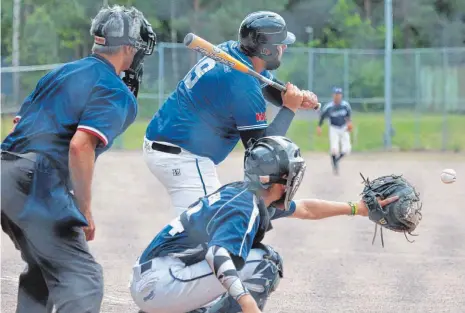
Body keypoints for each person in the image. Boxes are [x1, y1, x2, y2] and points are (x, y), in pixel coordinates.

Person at [0, 5, 155, 313]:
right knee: (84, 280)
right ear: (127, 48)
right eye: (136, 49)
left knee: (44, 272)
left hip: (6, 171)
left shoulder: (62, 72)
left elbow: (19, 124)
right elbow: (80, 146)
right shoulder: (114, 89)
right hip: (36, 180)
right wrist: (83, 208)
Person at [129, 136, 398, 313]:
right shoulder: (244, 207)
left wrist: (356, 209)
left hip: (158, 279)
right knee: (265, 262)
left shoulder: (248, 195)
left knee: (250, 259)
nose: (295, 180)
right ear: (277, 182)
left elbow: (306, 209)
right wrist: (248, 305)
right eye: (291, 175)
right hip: (161, 284)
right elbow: (218, 255)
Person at [143, 11, 320, 216]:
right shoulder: (243, 87)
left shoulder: (233, 52)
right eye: (280, 43)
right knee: (210, 225)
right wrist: (289, 108)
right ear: (266, 50)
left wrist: (292, 97)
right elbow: (261, 153)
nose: (284, 47)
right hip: (183, 158)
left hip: (170, 145)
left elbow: (264, 83)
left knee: (208, 227)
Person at [317, 87, 353, 175]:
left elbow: (348, 116)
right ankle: (335, 166)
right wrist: (319, 126)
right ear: (333, 95)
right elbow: (322, 117)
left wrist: (349, 123)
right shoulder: (329, 107)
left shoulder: (345, 105)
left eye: (339, 94)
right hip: (334, 128)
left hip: (344, 128)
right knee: (334, 149)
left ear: (341, 95)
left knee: (347, 149)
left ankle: (336, 160)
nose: (337, 96)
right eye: (336, 94)